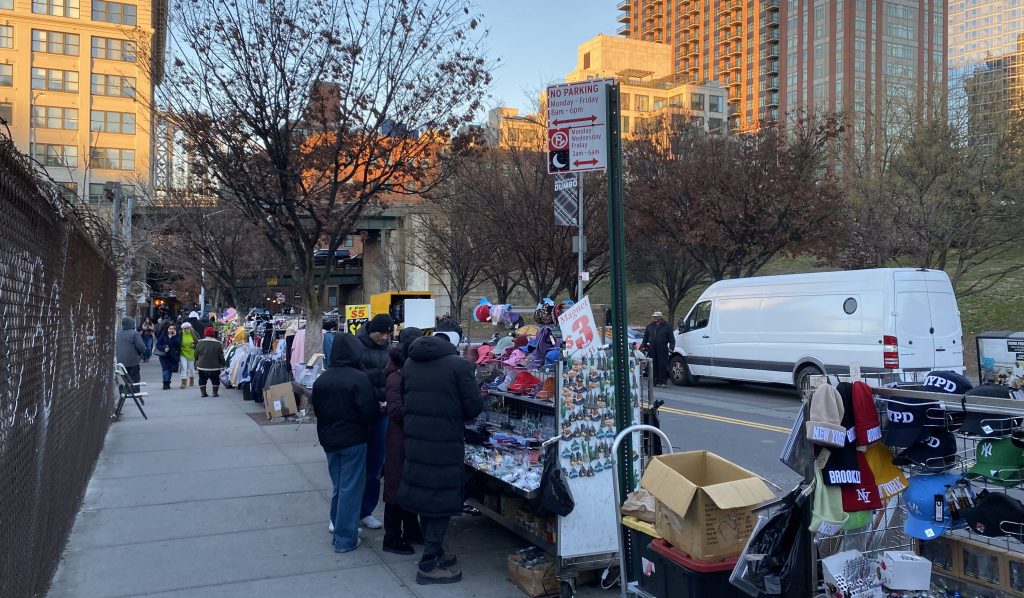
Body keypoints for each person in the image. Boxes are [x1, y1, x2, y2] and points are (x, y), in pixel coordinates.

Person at [398, 331, 483, 585]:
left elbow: (405, 398)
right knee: (441, 502)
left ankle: (436, 552)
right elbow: (473, 408)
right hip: (444, 442)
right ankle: (428, 564)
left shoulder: (411, 363)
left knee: (427, 498)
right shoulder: (460, 366)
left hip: (416, 440)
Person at [311, 334, 380, 553]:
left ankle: (339, 525)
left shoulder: (322, 379)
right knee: (351, 487)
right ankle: (344, 538)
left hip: (329, 439)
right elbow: (370, 413)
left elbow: (317, 410)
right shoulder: (358, 378)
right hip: (353, 439)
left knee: (340, 485)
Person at [381, 327, 424, 555]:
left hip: (409, 438)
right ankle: (391, 537)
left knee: (408, 486)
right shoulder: (396, 375)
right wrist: (422, 413)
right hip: (399, 440)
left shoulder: (408, 372)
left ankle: (411, 529)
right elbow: (396, 411)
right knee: (396, 487)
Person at [353, 313, 395, 530]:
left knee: (376, 463)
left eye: (388, 333)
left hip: (382, 413)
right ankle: (349, 512)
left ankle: (365, 511)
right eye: (382, 333)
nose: (385, 337)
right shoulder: (356, 347)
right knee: (355, 466)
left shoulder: (389, 351)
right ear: (372, 330)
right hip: (361, 414)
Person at [641, 311, 674, 388]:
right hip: (652, 348)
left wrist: (671, 348)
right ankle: (654, 381)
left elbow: (671, 339)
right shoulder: (650, 326)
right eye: (654, 317)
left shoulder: (667, 326)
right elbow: (645, 337)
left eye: (656, 317)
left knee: (662, 365)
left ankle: (663, 382)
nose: (654, 318)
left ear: (660, 317)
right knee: (653, 365)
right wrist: (643, 345)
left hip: (662, 348)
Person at [195, 327, 226, 398]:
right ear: (213, 334)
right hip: (215, 366)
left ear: (205, 333)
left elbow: (196, 354)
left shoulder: (200, 342)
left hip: (202, 366)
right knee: (215, 380)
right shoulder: (218, 343)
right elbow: (221, 356)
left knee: (202, 379)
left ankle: (203, 393)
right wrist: (224, 364)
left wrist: (197, 360)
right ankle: (215, 393)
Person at [115, 316, 147, 384]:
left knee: (123, 379)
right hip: (133, 360)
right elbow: (141, 346)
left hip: (120, 361)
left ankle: (123, 392)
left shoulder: (118, 334)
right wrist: (142, 353)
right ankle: (134, 391)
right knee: (134, 378)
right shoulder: (134, 333)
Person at [155, 324, 182, 390]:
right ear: (167, 329)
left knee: (169, 369)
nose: (171, 330)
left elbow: (178, 344)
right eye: (170, 328)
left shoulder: (177, 336)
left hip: (172, 355)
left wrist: (174, 336)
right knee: (165, 369)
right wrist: (164, 348)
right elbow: (158, 344)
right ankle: (165, 384)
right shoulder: (163, 335)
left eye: (173, 329)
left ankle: (167, 382)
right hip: (164, 355)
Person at [178, 322, 199, 389]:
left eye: (188, 328)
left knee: (191, 368)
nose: (186, 329)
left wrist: (194, 345)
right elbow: (177, 342)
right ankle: (183, 383)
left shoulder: (193, 334)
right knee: (184, 367)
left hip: (191, 352)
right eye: (185, 328)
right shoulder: (180, 334)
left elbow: (198, 342)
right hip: (182, 352)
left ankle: (191, 379)